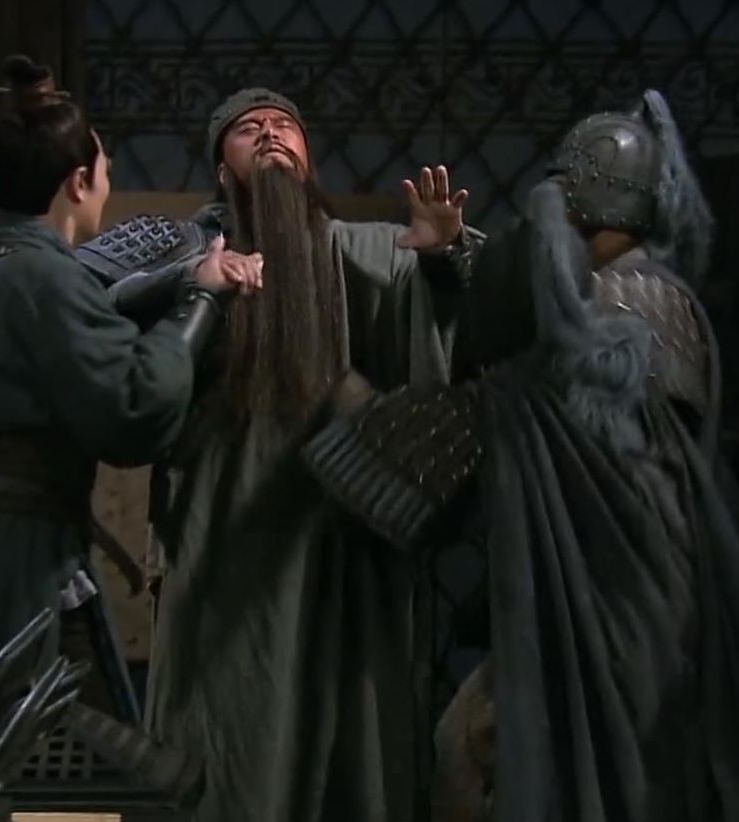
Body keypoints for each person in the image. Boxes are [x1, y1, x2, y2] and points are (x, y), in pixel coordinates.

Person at [303, 90, 739, 822]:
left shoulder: (625, 309)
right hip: (636, 612)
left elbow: (516, 412)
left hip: (620, 623)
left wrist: (339, 397)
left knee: (490, 764)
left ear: (575, 212)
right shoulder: (644, 295)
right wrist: (453, 260)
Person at [141, 87, 484, 822]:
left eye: (283, 126)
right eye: (247, 129)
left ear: (307, 155)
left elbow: (455, 318)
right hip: (224, 534)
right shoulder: (186, 258)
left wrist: (442, 257)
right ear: (222, 168)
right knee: (227, 730)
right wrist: (199, 292)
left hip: (340, 537)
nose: (269, 134)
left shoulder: (365, 251)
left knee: (347, 739)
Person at [0, 55, 259, 736]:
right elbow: (134, 407)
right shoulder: (44, 278)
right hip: (10, 563)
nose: (106, 185)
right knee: (37, 761)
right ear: (79, 181)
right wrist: (203, 295)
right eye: (105, 171)